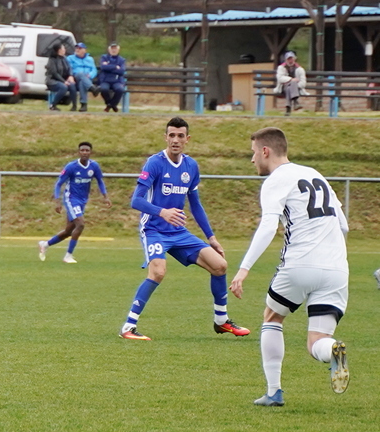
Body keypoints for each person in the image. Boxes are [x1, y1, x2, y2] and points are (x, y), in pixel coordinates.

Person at [230, 127, 349, 406]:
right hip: (337, 269)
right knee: (317, 340)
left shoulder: (275, 180)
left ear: (265, 151)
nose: (252, 160)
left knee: (272, 317)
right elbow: (343, 224)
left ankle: (274, 392)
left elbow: (269, 226)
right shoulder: (315, 174)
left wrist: (244, 268)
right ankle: (332, 349)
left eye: (253, 153)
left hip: (299, 264)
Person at [120, 117, 250, 341]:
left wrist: (212, 237)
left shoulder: (191, 166)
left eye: (180, 136)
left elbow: (196, 205)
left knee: (220, 266)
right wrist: (163, 212)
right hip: (154, 229)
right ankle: (128, 327)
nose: (175, 140)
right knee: (158, 272)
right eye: (171, 135)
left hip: (178, 233)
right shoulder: (154, 163)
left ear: (187, 139)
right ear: (165, 137)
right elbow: (136, 201)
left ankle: (221, 321)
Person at [38, 142, 110, 264]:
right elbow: (59, 183)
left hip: (82, 200)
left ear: (90, 152)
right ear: (79, 152)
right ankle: (68, 256)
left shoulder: (94, 166)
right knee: (80, 224)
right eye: (82, 150)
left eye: (87, 150)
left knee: (68, 231)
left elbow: (100, 181)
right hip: (71, 199)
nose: (84, 153)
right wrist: (57, 201)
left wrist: (106, 196)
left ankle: (45, 244)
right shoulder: (71, 167)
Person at [67, 42, 98, 112]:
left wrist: (90, 75)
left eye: (80, 48)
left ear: (84, 50)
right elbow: (70, 69)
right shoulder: (70, 58)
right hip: (75, 79)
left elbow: (94, 70)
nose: (77, 50)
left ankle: (84, 105)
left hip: (87, 80)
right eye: (77, 48)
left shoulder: (90, 59)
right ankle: (92, 88)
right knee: (81, 74)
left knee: (82, 82)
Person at [98, 42, 127, 112]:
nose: (114, 50)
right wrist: (115, 67)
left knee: (120, 89)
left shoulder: (121, 60)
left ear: (118, 50)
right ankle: (111, 104)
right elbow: (103, 67)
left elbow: (121, 71)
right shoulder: (104, 57)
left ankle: (111, 105)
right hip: (105, 80)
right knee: (103, 89)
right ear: (109, 50)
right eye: (112, 49)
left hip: (117, 81)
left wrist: (109, 67)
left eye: (115, 49)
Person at [44, 43, 74, 111]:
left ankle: (74, 106)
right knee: (63, 87)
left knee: (72, 85)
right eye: (63, 48)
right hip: (52, 80)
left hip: (63, 80)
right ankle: (53, 105)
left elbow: (69, 68)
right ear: (59, 50)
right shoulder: (52, 59)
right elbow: (54, 73)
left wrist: (70, 75)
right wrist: (64, 81)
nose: (65, 50)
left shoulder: (64, 58)